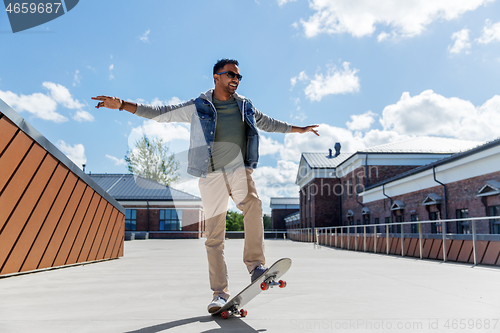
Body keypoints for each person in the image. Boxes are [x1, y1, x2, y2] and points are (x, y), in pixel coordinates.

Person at [92, 59, 319, 313]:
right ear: (216, 77)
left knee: (253, 205)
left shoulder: (245, 105)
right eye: (231, 74)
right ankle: (220, 294)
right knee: (214, 236)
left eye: (239, 77)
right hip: (210, 175)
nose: (236, 79)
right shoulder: (198, 106)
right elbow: (160, 112)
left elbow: (269, 123)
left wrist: (299, 130)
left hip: (239, 170)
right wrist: (122, 105)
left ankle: (256, 267)